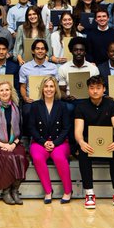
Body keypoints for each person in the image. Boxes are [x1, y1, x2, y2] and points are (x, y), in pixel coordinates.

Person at [73, 75, 114, 210]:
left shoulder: (111, 104)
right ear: (88, 90)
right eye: (92, 88)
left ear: (104, 89)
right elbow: (78, 130)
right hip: (89, 144)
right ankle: (89, 193)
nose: (95, 91)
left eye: (98, 88)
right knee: (83, 153)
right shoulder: (81, 106)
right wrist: (81, 142)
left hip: (107, 144)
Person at [27, 76, 73, 204]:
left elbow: (66, 127)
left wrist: (55, 142)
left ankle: (68, 191)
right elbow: (31, 127)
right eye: (46, 86)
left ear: (56, 88)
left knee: (58, 157)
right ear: (42, 89)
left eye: (51, 86)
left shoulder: (62, 106)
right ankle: (48, 191)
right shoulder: (35, 106)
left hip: (59, 142)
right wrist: (43, 142)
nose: (49, 89)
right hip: (40, 141)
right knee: (37, 157)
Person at [18, 39, 59, 105]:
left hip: (49, 101)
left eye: (42, 49)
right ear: (33, 51)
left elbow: (56, 86)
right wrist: (25, 98)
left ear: (46, 51)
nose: (40, 51)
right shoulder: (25, 68)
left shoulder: (53, 67)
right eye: (37, 49)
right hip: (32, 102)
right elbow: (23, 87)